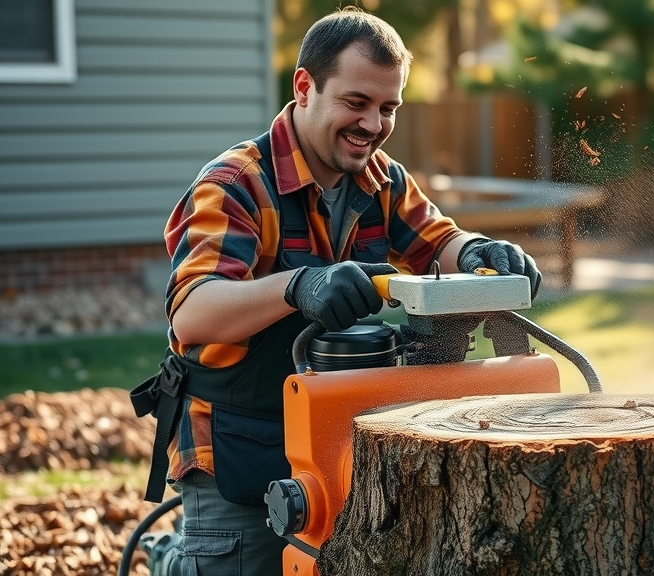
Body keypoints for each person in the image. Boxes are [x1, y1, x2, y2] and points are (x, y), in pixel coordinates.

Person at [132, 7, 540, 575]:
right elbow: (193, 314)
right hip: (242, 443)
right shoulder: (235, 185)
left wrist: (477, 253)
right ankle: (171, 558)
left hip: (345, 435)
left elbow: (438, 240)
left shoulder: (382, 179)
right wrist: (301, 285)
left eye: (388, 108)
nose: (373, 125)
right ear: (305, 87)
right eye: (357, 103)